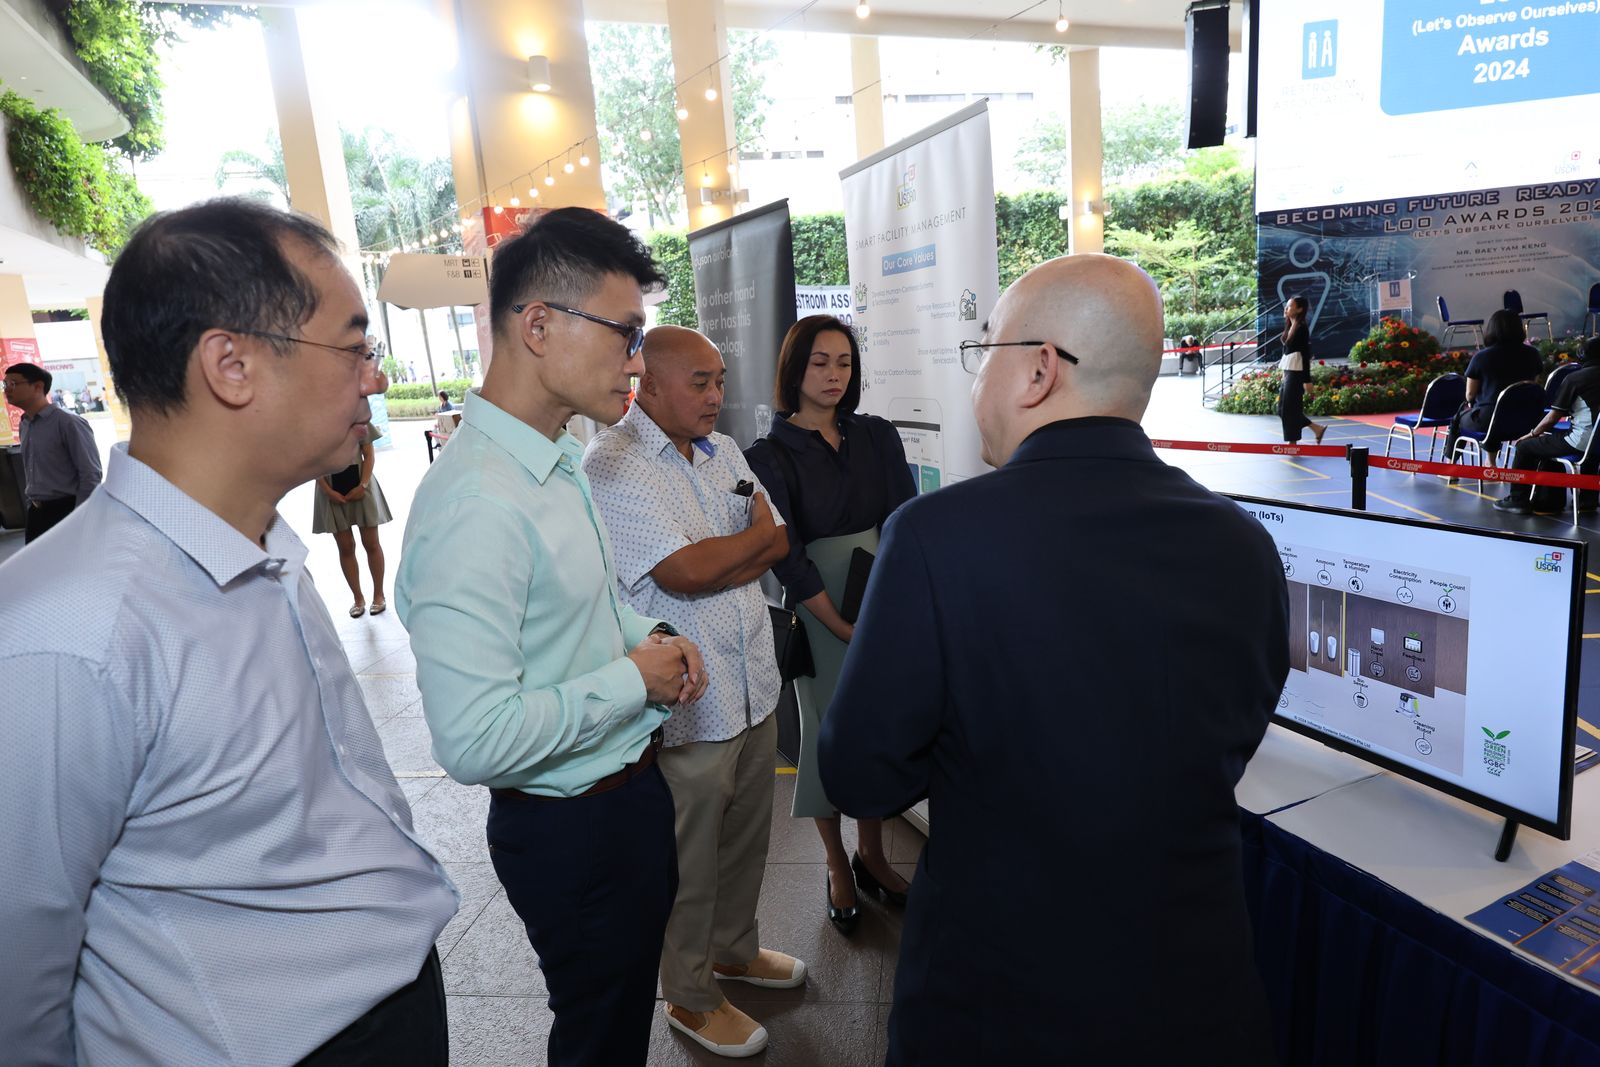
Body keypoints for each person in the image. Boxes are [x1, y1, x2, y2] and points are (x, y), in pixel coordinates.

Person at [0, 199, 458, 1065]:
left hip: (392, 1003)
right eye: (355, 347)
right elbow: (17, 977)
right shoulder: (64, 633)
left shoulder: (263, 540)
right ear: (232, 365)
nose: (372, 379)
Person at [819, 254, 1289, 1066]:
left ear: (1040, 370)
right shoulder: (1245, 543)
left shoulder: (935, 537)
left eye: (984, 351)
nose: (976, 381)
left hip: (997, 1001)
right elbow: (1235, 731)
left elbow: (861, 774)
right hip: (1197, 992)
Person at [395, 207, 709, 1067]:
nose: (637, 361)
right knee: (598, 1038)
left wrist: (652, 635)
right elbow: (474, 738)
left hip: (623, 795)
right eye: (625, 334)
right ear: (538, 325)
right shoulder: (477, 502)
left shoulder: (554, 459)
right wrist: (635, 680)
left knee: (617, 1023)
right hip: (572, 830)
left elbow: (582, 608)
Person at [584, 325, 804, 1059]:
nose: (717, 396)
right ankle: (690, 993)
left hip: (752, 684)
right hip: (689, 704)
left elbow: (779, 539)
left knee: (745, 842)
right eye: (700, 383)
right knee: (690, 862)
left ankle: (734, 950)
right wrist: (744, 548)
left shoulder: (724, 450)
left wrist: (734, 553)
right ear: (648, 385)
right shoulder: (614, 462)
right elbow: (685, 572)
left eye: (720, 380)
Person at [744, 314, 916, 934]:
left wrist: (890, 609)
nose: (834, 375)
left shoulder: (876, 435)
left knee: (875, 727)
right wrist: (840, 625)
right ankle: (836, 861)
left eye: (844, 362)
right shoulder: (767, 455)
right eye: (820, 362)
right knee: (824, 732)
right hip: (818, 609)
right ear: (795, 369)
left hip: (881, 596)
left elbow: (904, 520)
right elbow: (787, 557)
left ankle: (871, 853)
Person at [1494, 337, 1600, 514]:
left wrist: (1532, 434)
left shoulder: (1575, 379)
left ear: (1583, 355)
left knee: (1524, 447)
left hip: (1583, 441)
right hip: (1596, 443)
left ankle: (1517, 499)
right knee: (1592, 447)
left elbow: (1552, 418)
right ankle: (1587, 500)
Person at [2, 361, 102, 541]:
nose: (7, 389)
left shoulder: (68, 422)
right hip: (36, 513)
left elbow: (91, 474)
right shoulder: (25, 424)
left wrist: (80, 516)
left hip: (66, 510)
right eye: (5, 384)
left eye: (13, 383)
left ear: (38, 387)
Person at [1443, 308, 1543, 462]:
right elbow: (1533, 385)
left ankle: (1452, 465)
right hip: (1527, 420)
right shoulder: (1533, 354)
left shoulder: (1481, 357)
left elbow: (1469, 395)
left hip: (1489, 421)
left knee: (1461, 418)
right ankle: (1490, 462)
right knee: (1497, 411)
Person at [314, 435, 393, 617]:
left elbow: (369, 453)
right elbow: (314, 461)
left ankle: (379, 595)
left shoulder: (356, 419)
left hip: (361, 485)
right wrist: (328, 491)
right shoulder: (313, 424)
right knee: (345, 546)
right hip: (330, 489)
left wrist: (363, 485)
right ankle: (358, 598)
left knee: (371, 543)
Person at [1278, 294, 1326, 444]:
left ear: (1299, 309)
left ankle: (1292, 443)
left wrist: (1307, 380)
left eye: (1290, 306)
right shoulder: (1290, 326)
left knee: (1289, 408)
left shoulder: (1301, 328)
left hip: (1296, 371)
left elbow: (1305, 354)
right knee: (1282, 408)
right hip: (1289, 370)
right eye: (1287, 305)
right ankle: (1316, 428)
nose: (1286, 308)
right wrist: (1284, 373)